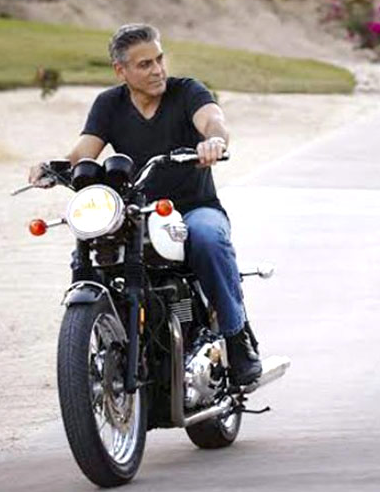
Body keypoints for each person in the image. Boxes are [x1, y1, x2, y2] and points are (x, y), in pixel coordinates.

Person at [28, 23, 262, 386]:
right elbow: (83, 152)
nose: (157, 70)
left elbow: (214, 121)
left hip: (192, 207)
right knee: (89, 250)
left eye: (159, 59)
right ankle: (90, 341)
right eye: (144, 64)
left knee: (208, 237)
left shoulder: (187, 92)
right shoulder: (109, 104)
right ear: (120, 70)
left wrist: (213, 141)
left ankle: (237, 335)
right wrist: (52, 167)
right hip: (135, 212)